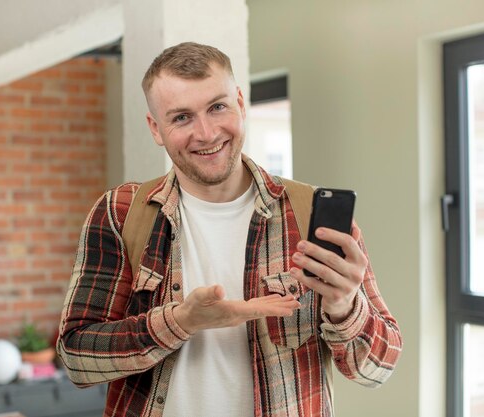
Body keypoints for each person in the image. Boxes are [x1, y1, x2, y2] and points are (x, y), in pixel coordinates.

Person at [57, 42, 402, 417]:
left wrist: (344, 305)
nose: (206, 133)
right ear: (156, 128)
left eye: (217, 107)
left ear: (240, 101)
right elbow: (77, 360)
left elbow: (376, 370)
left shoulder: (308, 217)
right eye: (181, 118)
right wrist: (181, 321)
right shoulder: (121, 213)